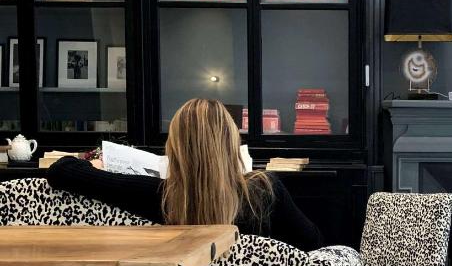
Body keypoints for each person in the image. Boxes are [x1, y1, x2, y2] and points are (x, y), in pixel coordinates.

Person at [46, 98, 323, 251]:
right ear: (230, 143)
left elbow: (61, 170)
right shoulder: (263, 190)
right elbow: (312, 243)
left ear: (176, 148)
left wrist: (95, 165)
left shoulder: (158, 194)